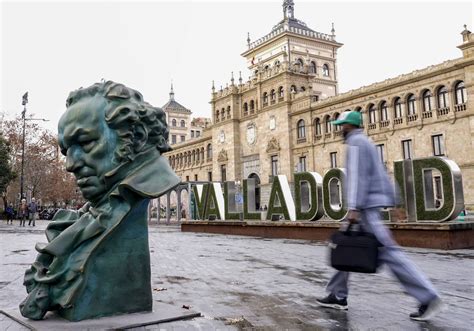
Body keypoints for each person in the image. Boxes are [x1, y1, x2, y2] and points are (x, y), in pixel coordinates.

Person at [20, 81, 181, 320]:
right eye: (66, 151)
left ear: (137, 137)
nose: (70, 164)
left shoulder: (135, 193)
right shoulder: (97, 206)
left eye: (85, 143)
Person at [316, 111, 442, 321]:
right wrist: (393, 202)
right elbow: (383, 174)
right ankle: (337, 294)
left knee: (389, 253)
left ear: (350, 126)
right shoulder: (366, 142)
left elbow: (357, 177)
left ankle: (428, 297)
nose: (340, 130)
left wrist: (354, 207)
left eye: (342, 126)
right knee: (345, 245)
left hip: (364, 209)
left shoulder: (355, 143)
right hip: (369, 205)